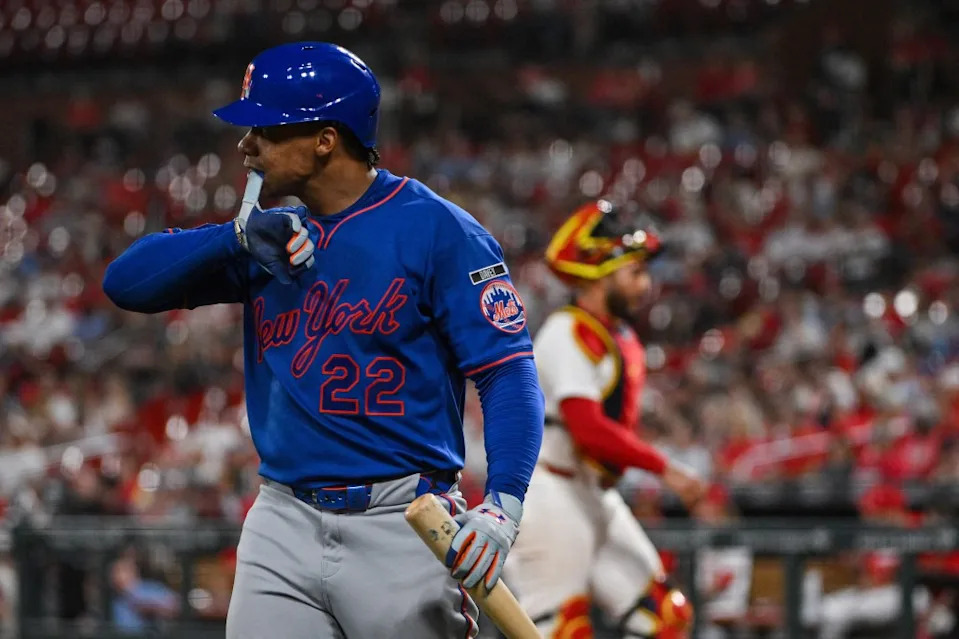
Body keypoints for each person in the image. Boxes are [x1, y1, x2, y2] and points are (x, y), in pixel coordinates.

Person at [102, 42, 544, 639]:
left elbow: (506, 372)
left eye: (266, 127)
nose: (246, 144)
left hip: (402, 522)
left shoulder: (437, 229)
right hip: (281, 520)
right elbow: (124, 282)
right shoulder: (269, 238)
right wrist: (233, 238)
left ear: (325, 139)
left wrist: (504, 505)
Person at [506, 200, 705, 638]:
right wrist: (665, 469)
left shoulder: (615, 333)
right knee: (563, 631)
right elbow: (588, 429)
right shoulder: (566, 331)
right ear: (598, 274)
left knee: (666, 618)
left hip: (595, 495)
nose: (645, 285)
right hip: (550, 492)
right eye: (635, 272)